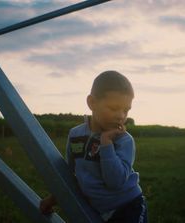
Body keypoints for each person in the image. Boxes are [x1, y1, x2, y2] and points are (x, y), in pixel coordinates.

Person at [40, 70, 147, 222]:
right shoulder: (75, 135)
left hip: (128, 208)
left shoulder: (124, 140)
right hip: (95, 210)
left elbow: (115, 182)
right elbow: (69, 174)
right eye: (114, 108)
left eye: (126, 110)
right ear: (92, 103)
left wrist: (106, 144)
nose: (121, 116)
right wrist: (53, 199)